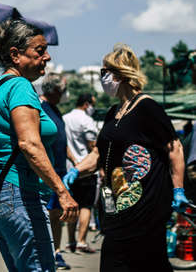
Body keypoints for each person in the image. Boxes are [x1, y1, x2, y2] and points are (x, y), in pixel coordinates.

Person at [63, 43, 188, 271]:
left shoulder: (147, 107)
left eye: (105, 72)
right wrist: (76, 170)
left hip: (146, 207)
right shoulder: (114, 111)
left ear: (121, 74)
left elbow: (175, 148)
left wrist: (178, 189)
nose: (103, 78)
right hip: (118, 208)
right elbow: (99, 153)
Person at [0, 18, 79, 272]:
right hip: (18, 193)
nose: (47, 57)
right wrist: (62, 192)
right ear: (15, 54)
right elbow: (29, 144)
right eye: (40, 50)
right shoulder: (20, 87)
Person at [40, 74, 77, 270]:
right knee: (49, 214)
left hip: (62, 171)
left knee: (58, 214)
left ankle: (56, 251)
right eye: (62, 90)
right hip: (49, 173)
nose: (64, 94)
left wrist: (75, 161)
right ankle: (49, 252)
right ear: (54, 90)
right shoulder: (41, 109)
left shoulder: (56, 111)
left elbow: (62, 143)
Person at [63, 93, 99, 253]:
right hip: (86, 169)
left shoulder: (65, 118)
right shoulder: (86, 120)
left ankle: (70, 241)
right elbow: (93, 147)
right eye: (92, 104)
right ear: (86, 104)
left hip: (69, 168)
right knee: (85, 206)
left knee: (72, 205)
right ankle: (81, 241)